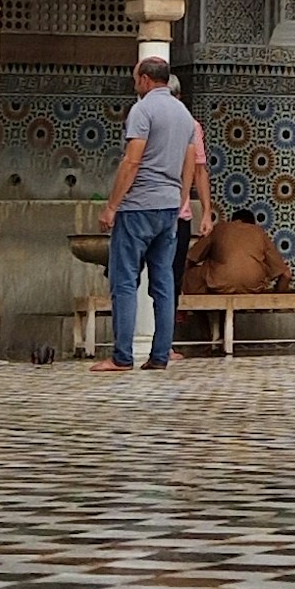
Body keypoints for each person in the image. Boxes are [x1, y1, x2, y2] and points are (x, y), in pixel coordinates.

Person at [94, 52, 210, 375]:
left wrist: (112, 206)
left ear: (145, 79)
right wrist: (180, 199)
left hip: (138, 207)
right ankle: (160, 355)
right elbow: (191, 165)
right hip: (169, 207)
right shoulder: (185, 115)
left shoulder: (142, 110)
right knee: (163, 283)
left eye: (136, 80)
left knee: (124, 280)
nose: (136, 86)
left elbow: (131, 162)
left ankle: (122, 356)